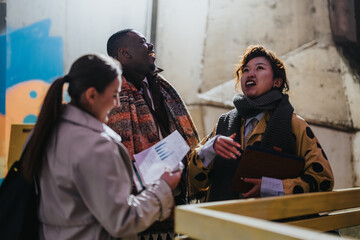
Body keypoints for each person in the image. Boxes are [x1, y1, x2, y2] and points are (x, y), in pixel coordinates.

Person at [21, 54, 182, 240]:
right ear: (91, 95)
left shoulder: (44, 130)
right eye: (115, 95)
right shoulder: (96, 146)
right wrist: (163, 186)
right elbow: (123, 221)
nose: (118, 103)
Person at [188, 45, 334, 202]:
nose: (250, 74)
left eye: (259, 68)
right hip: (226, 223)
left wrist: (272, 188)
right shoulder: (224, 123)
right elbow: (196, 181)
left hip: (270, 224)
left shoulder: (295, 125)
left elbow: (323, 180)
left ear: (276, 82)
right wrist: (210, 149)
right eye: (245, 70)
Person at [106, 29, 199, 239]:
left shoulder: (162, 86)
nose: (150, 46)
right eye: (142, 42)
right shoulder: (113, 93)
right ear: (125, 54)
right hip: (138, 204)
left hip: (175, 193)